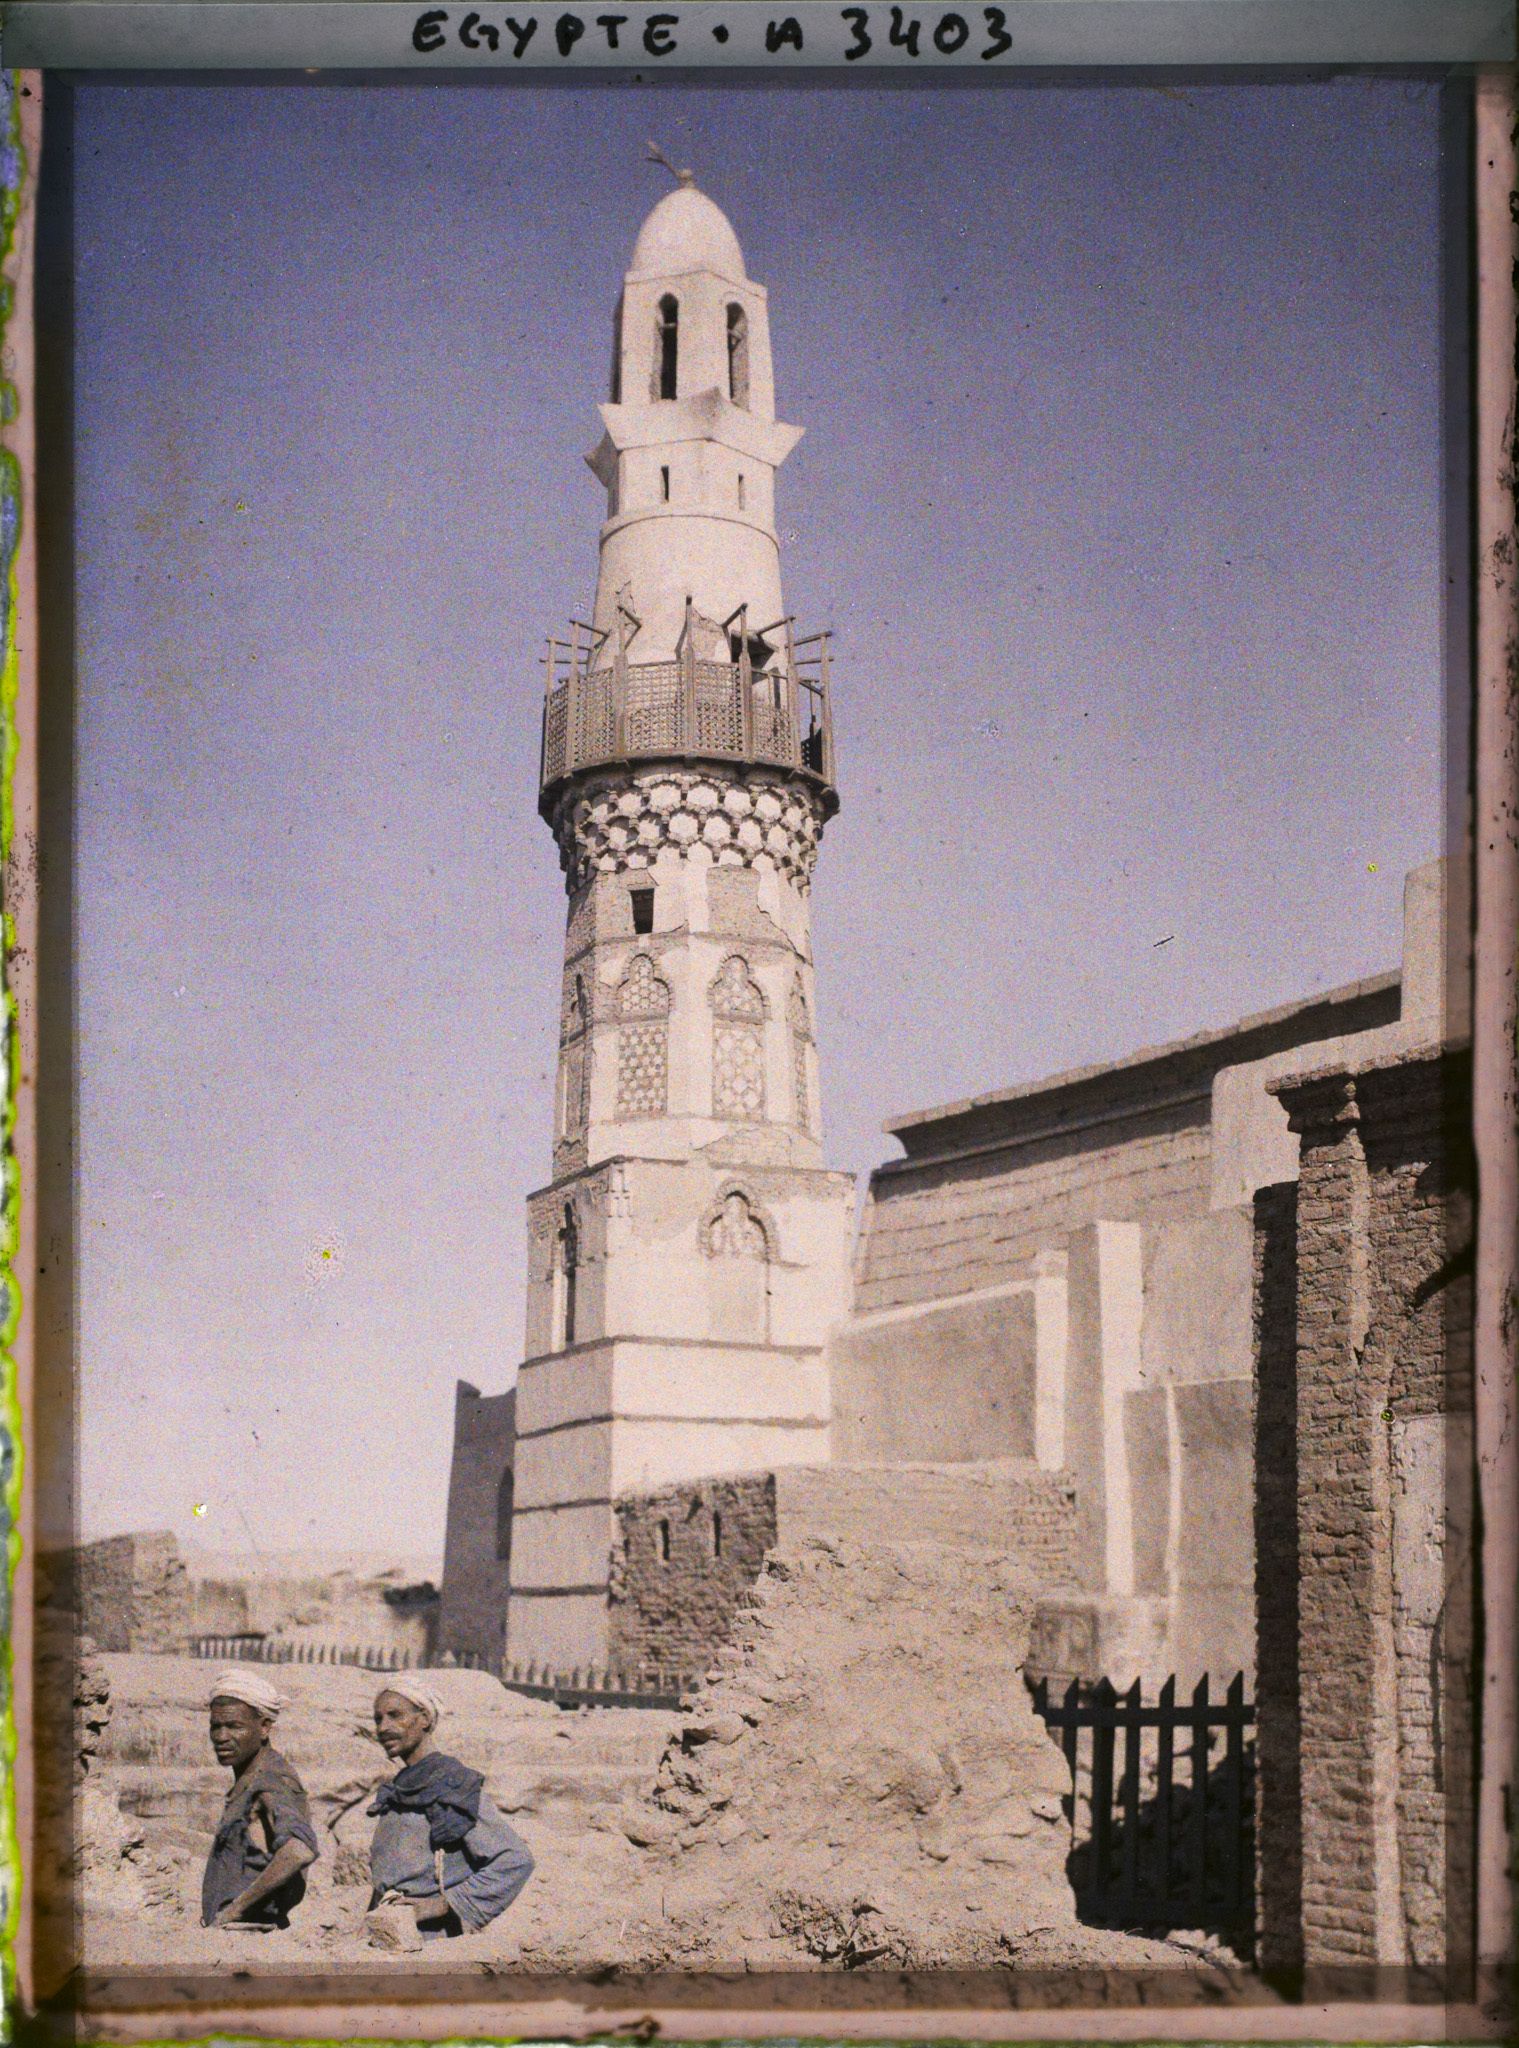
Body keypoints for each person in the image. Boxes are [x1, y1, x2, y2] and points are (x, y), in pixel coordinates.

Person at [366, 1676, 533, 1939]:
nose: (384, 1727)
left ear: (424, 1719)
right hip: (388, 1936)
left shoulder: (452, 1784)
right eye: (378, 1719)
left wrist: (441, 1905)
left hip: (434, 1942)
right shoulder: (398, 1788)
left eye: (395, 1715)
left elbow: (514, 1860)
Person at [201, 1668, 319, 1929]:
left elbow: (300, 1850)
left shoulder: (271, 1779)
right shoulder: (251, 1777)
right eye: (215, 1726)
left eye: (234, 1726)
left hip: (250, 1936)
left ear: (264, 1727)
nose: (221, 1737)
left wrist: (233, 1911)